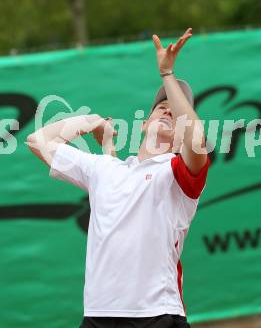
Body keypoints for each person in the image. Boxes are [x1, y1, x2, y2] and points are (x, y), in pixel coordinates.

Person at [26, 28, 211, 328]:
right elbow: (38, 141)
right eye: (160, 108)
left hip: (158, 315)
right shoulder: (105, 169)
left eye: (175, 114)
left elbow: (196, 136)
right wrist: (90, 122)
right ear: (142, 125)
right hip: (98, 316)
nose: (167, 112)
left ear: (180, 140)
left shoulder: (178, 173)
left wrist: (167, 74)